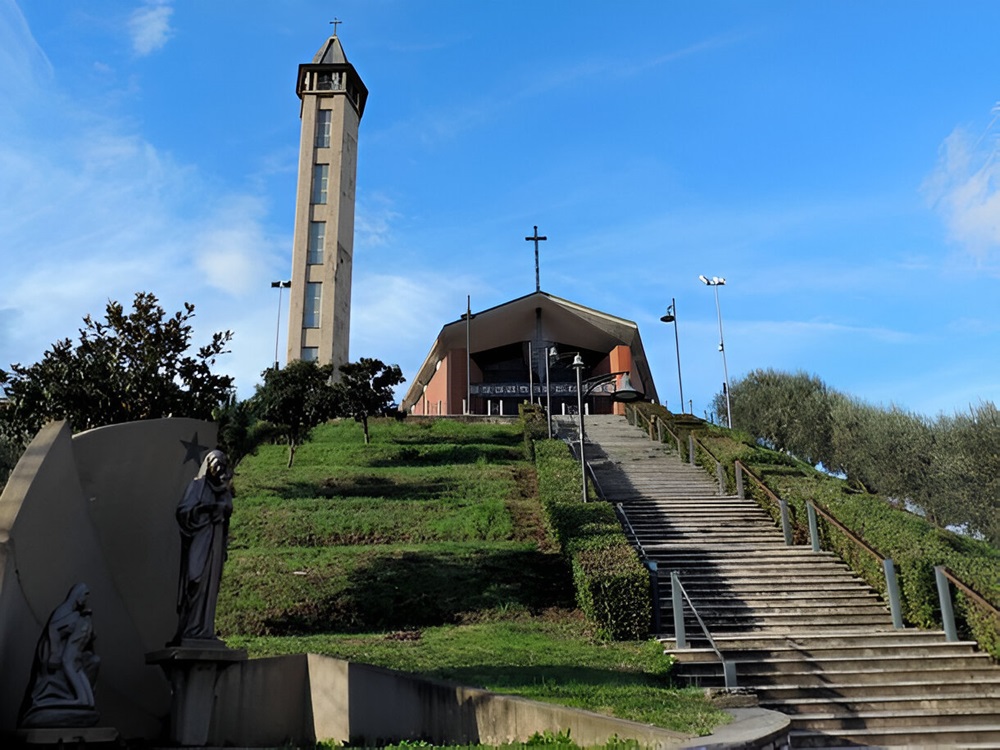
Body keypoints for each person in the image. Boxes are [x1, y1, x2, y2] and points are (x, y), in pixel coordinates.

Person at [172, 450, 233, 644]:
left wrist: (222, 508)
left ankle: (204, 629)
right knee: (194, 580)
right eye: (216, 465)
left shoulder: (223, 491)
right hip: (199, 540)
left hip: (214, 542)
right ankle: (188, 628)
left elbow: (227, 512)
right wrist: (205, 509)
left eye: (222, 465)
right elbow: (183, 512)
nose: (220, 469)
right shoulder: (197, 486)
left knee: (209, 585)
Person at [19, 583, 101, 728]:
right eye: (85, 595)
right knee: (71, 665)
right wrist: (54, 653)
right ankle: (81, 700)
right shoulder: (65, 611)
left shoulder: (76, 615)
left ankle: (85, 701)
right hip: (54, 653)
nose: (85, 600)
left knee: (84, 664)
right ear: (77, 595)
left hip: (70, 652)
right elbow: (54, 630)